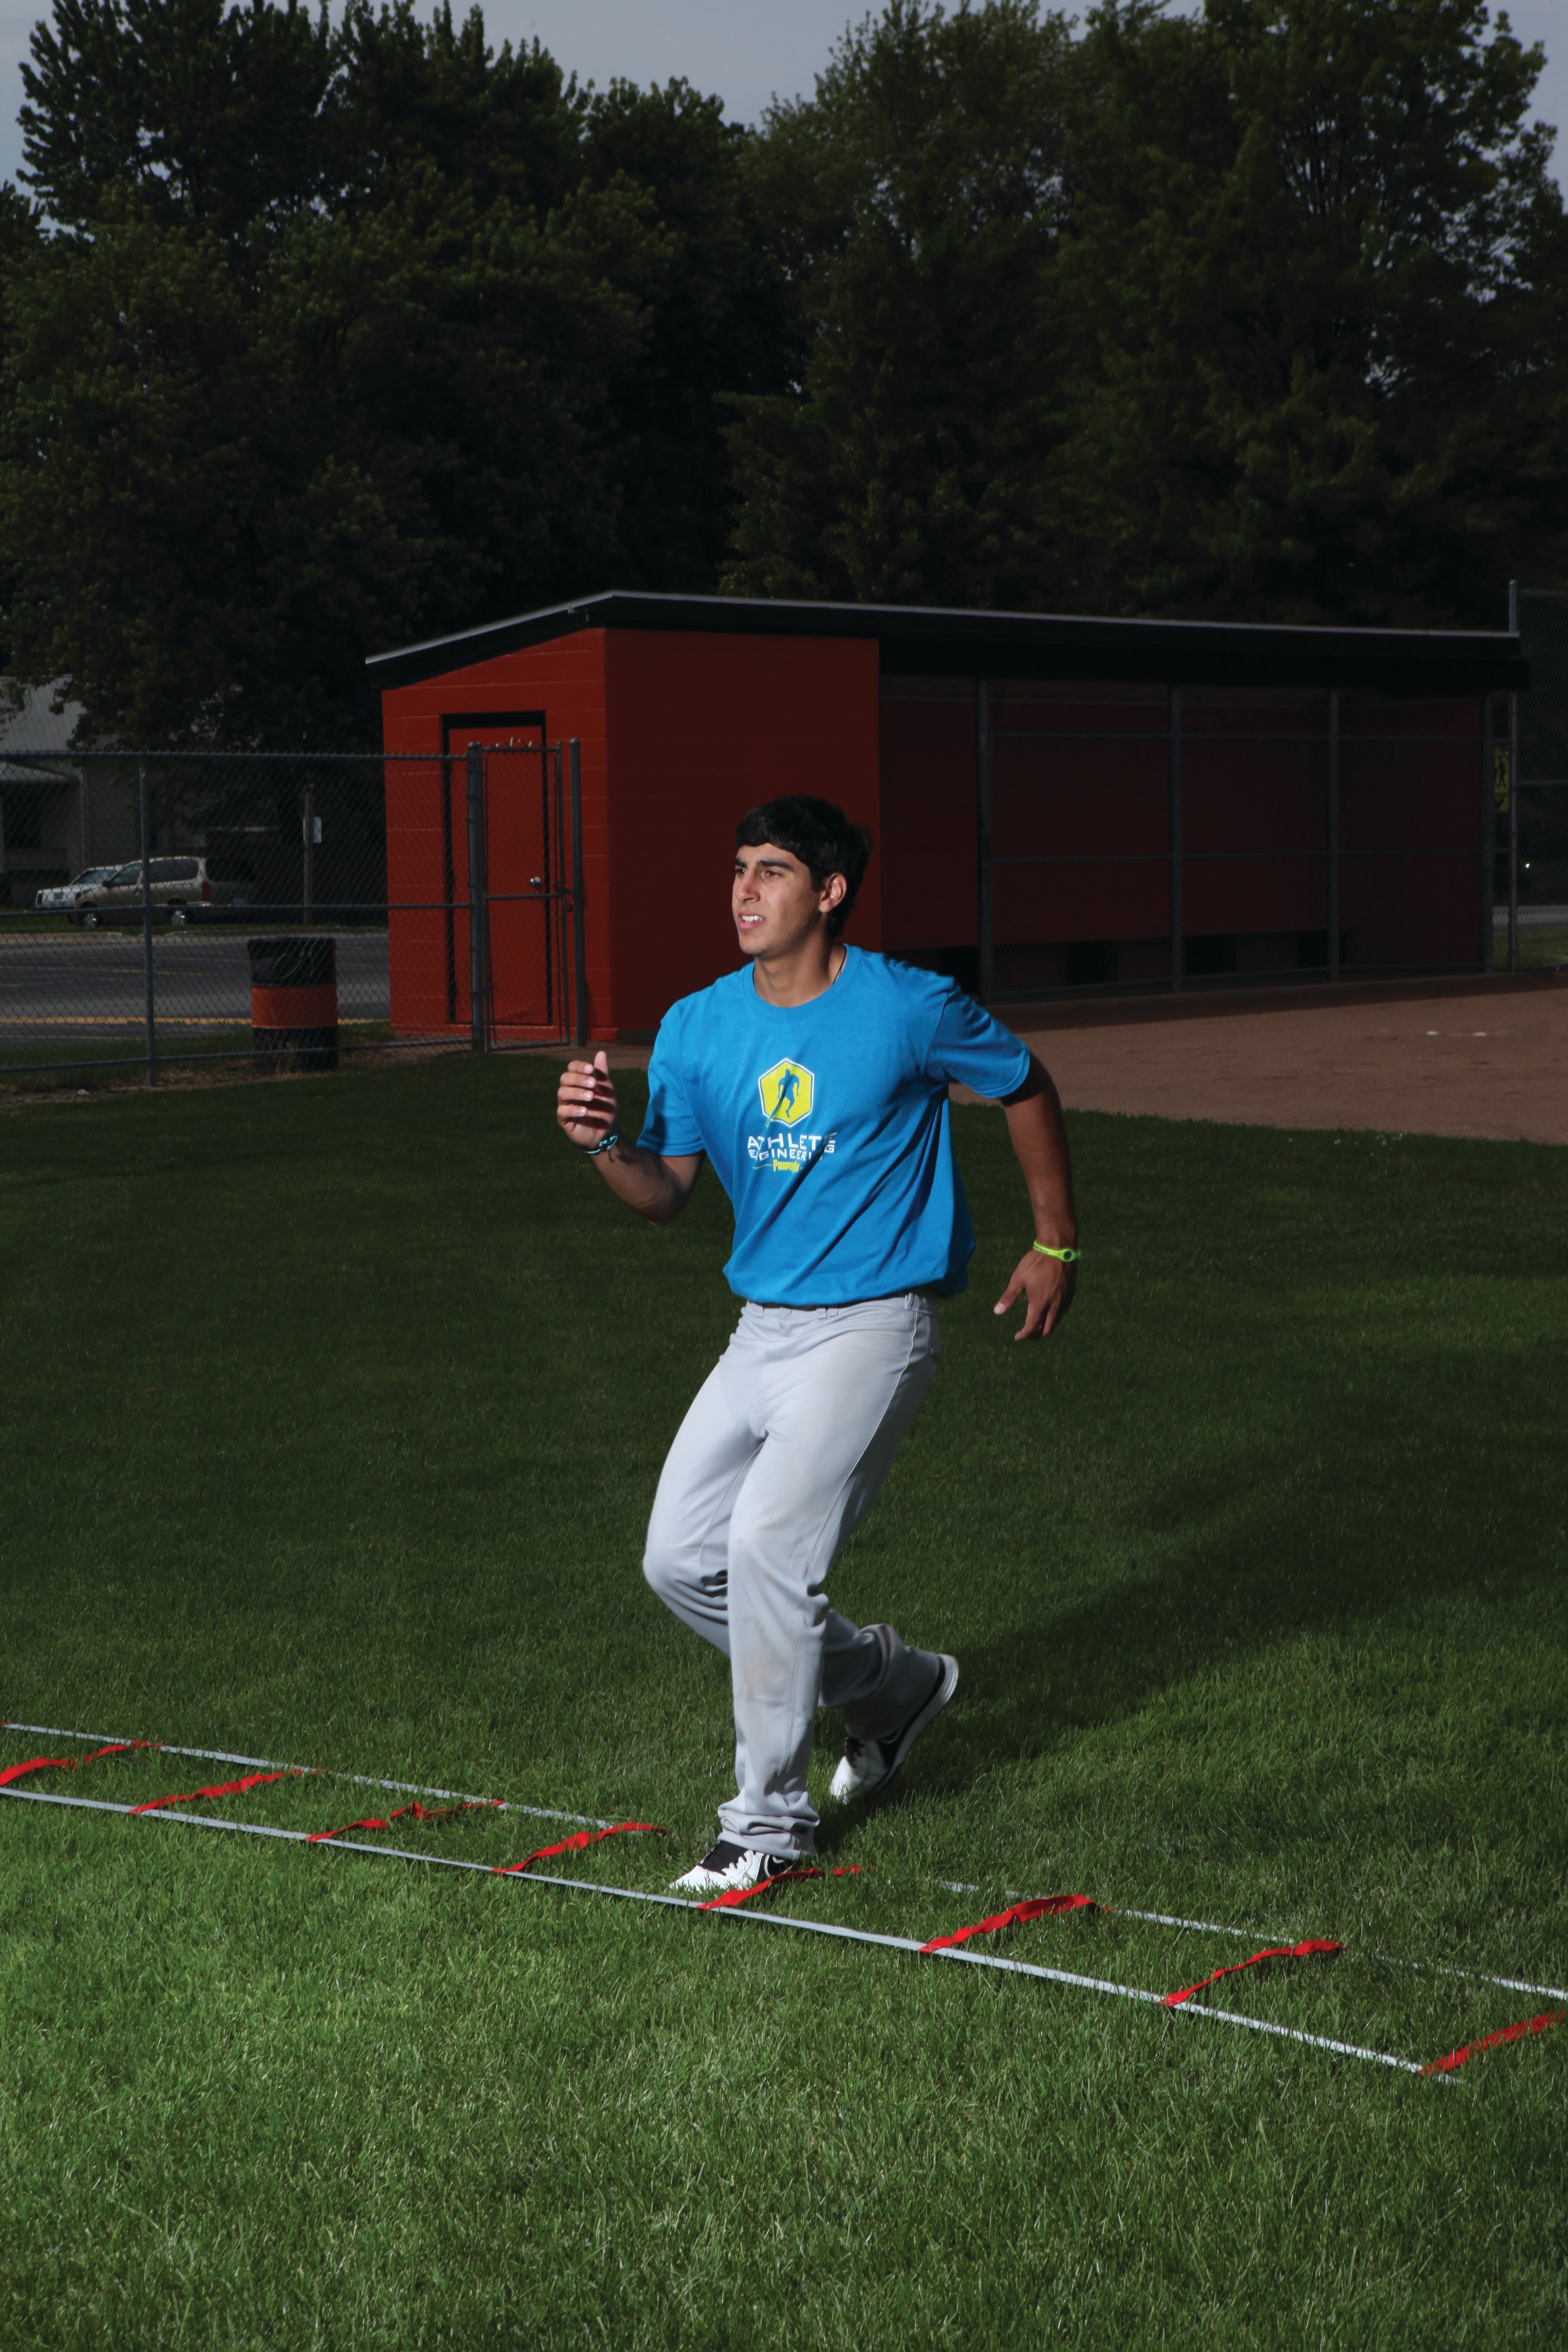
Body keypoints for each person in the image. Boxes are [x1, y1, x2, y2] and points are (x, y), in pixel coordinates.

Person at [555, 796, 1078, 1895]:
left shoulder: (907, 1007)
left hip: (875, 1327)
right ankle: (892, 1689)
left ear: (830, 892)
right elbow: (665, 1196)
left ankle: (765, 1828)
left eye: (774, 872)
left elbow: (1025, 1084)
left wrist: (1054, 1244)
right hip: (762, 1332)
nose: (745, 891)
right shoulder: (698, 1025)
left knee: (768, 1557)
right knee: (679, 1560)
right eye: (738, 868)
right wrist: (606, 1139)